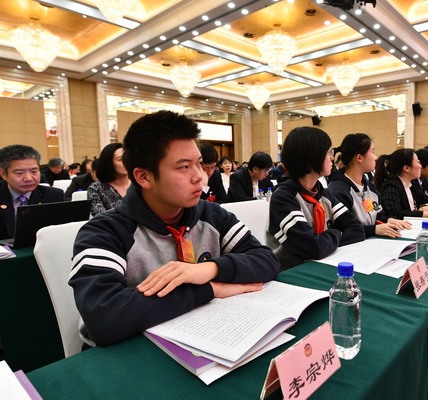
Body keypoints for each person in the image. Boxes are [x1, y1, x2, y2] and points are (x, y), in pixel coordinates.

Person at [69, 110, 279, 347]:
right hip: (133, 353)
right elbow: (103, 317)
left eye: (198, 164)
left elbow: (266, 260)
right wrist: (209, 290)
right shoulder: (105, 232)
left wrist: (209, 269)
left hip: (205, 336)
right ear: (144, 177)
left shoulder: (211, 215)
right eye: (184, 167)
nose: (199, 177)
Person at [267, 126, 365, 270]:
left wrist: (325, 239)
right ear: (310, 158)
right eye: (328, 153)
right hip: (290, 271)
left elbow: (357, 229)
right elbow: (313, 247)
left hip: (323, 262)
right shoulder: (283, 198)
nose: (332, 158)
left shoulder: (322, 194)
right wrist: (337, 232)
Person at [327, 133, 412, 238]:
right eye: (372, 152)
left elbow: (378, 215)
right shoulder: (338, 190)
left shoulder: (369, 187)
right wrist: (373, 230)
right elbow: (344, 230)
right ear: (359, 158)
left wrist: (389, 220)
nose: (375, 157)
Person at [373, 148, 428, 222]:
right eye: (418, 162)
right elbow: (396, 213)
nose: (420, 166)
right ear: (406, 168)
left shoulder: (410, 185)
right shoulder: (391, 186)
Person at [0, 145, 64, 240]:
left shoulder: (54, 195)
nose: (28, 178)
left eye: (34, 171)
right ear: (3, 174)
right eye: (19, 173)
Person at [87, 143, 130, 216]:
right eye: (120, 159)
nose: (126, 162)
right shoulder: (96, 188)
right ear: (109, 163)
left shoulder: (139, 184)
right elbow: (101, 218)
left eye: (128, 158)